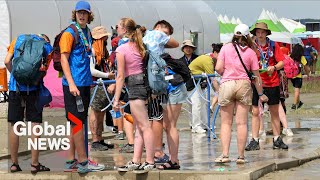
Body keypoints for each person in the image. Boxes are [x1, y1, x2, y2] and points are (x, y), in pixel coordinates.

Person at [60, 1, 105, 173]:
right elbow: (64, 59)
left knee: (76, 122)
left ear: (89, 14)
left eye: (85, 13)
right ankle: (84, 162)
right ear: (75, 14)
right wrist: (71, 83)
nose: (82, 15)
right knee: (77, 122)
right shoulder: (70, 33)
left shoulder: (87, 31)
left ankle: (71, 160)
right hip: (74, 84)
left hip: (85, 83)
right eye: (79, 12)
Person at [214, 24, 268, 164]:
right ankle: (241, 156)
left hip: (227, 84)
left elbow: (218, 68)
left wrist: (225, 73)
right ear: (247, 36)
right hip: (244, 85)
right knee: (242, 123)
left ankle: (225, 155)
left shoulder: (225, 48)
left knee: (226, 123)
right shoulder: (251, 52)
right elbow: (256, 76)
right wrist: (261, 93)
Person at [5, 34, 52, 173]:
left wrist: (16, 74)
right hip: (34, 89)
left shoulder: (18, 40)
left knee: (15, 124)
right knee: (35, 125)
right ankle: (34, 164)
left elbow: (7, 61)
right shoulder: (45, 44)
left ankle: (14, 164)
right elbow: (46, 68)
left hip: (16, 88)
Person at [114, 17, 155, 173]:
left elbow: (120, 76)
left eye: (118, 26)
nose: (116, 29)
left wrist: (116, 99)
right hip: (143, 87)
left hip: (135, 87)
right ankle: (136, 160)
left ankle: (150, 161)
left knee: (144, 126)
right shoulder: (140, 46)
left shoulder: (122, 49)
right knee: (139, 126)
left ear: (124, 30)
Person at [245, 22, 288, 151]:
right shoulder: (251, 46)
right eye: (258, 32)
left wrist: (274, 67)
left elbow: (282, 62)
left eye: (263, 32)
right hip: (256, 82)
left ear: (266, 33)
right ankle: (255, 140)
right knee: (255, 112)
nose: (260, 34)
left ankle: (277, 138)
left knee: (274, 111)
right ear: (255, 33)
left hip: (272, 82)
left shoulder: (273, 45)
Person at [143, 20, 179, 164]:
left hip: (144, 78)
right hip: (156, 80)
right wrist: (165, 38)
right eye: (166, 32)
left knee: (149, 117)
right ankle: (157, 151)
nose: (166, 36)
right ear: (158, 27)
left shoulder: (144, 36)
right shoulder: (158, 34)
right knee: (157, 118)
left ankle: (150, 152)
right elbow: (176, 44)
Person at [89, 26, 115, 151]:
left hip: (104, 85)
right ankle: (95, 140)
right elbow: (91, 70)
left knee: (102, 112)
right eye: (104, 37)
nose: (106, 39)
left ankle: (99, 138)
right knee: (95, 112)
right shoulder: (93, 51)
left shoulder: (104, 52)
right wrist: (107, 75)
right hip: (95, 85)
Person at [188, 53, 215, 133]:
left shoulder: (204, 58)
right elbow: (212, 77)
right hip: (191, 82)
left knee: (202, 103)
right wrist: (218, 91)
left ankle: (203, 124)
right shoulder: (208, 60)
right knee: (196, 103)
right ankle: (196, 126)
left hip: (197, 82)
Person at [290, 44, 310, 110]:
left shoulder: (289, 56)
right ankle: (295, 105)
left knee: (296, 90)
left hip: (291, 76)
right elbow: (306, 68)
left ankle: (299, 103)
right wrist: (308, 74)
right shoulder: (302, 57)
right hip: (298, 76)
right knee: (297, 90)